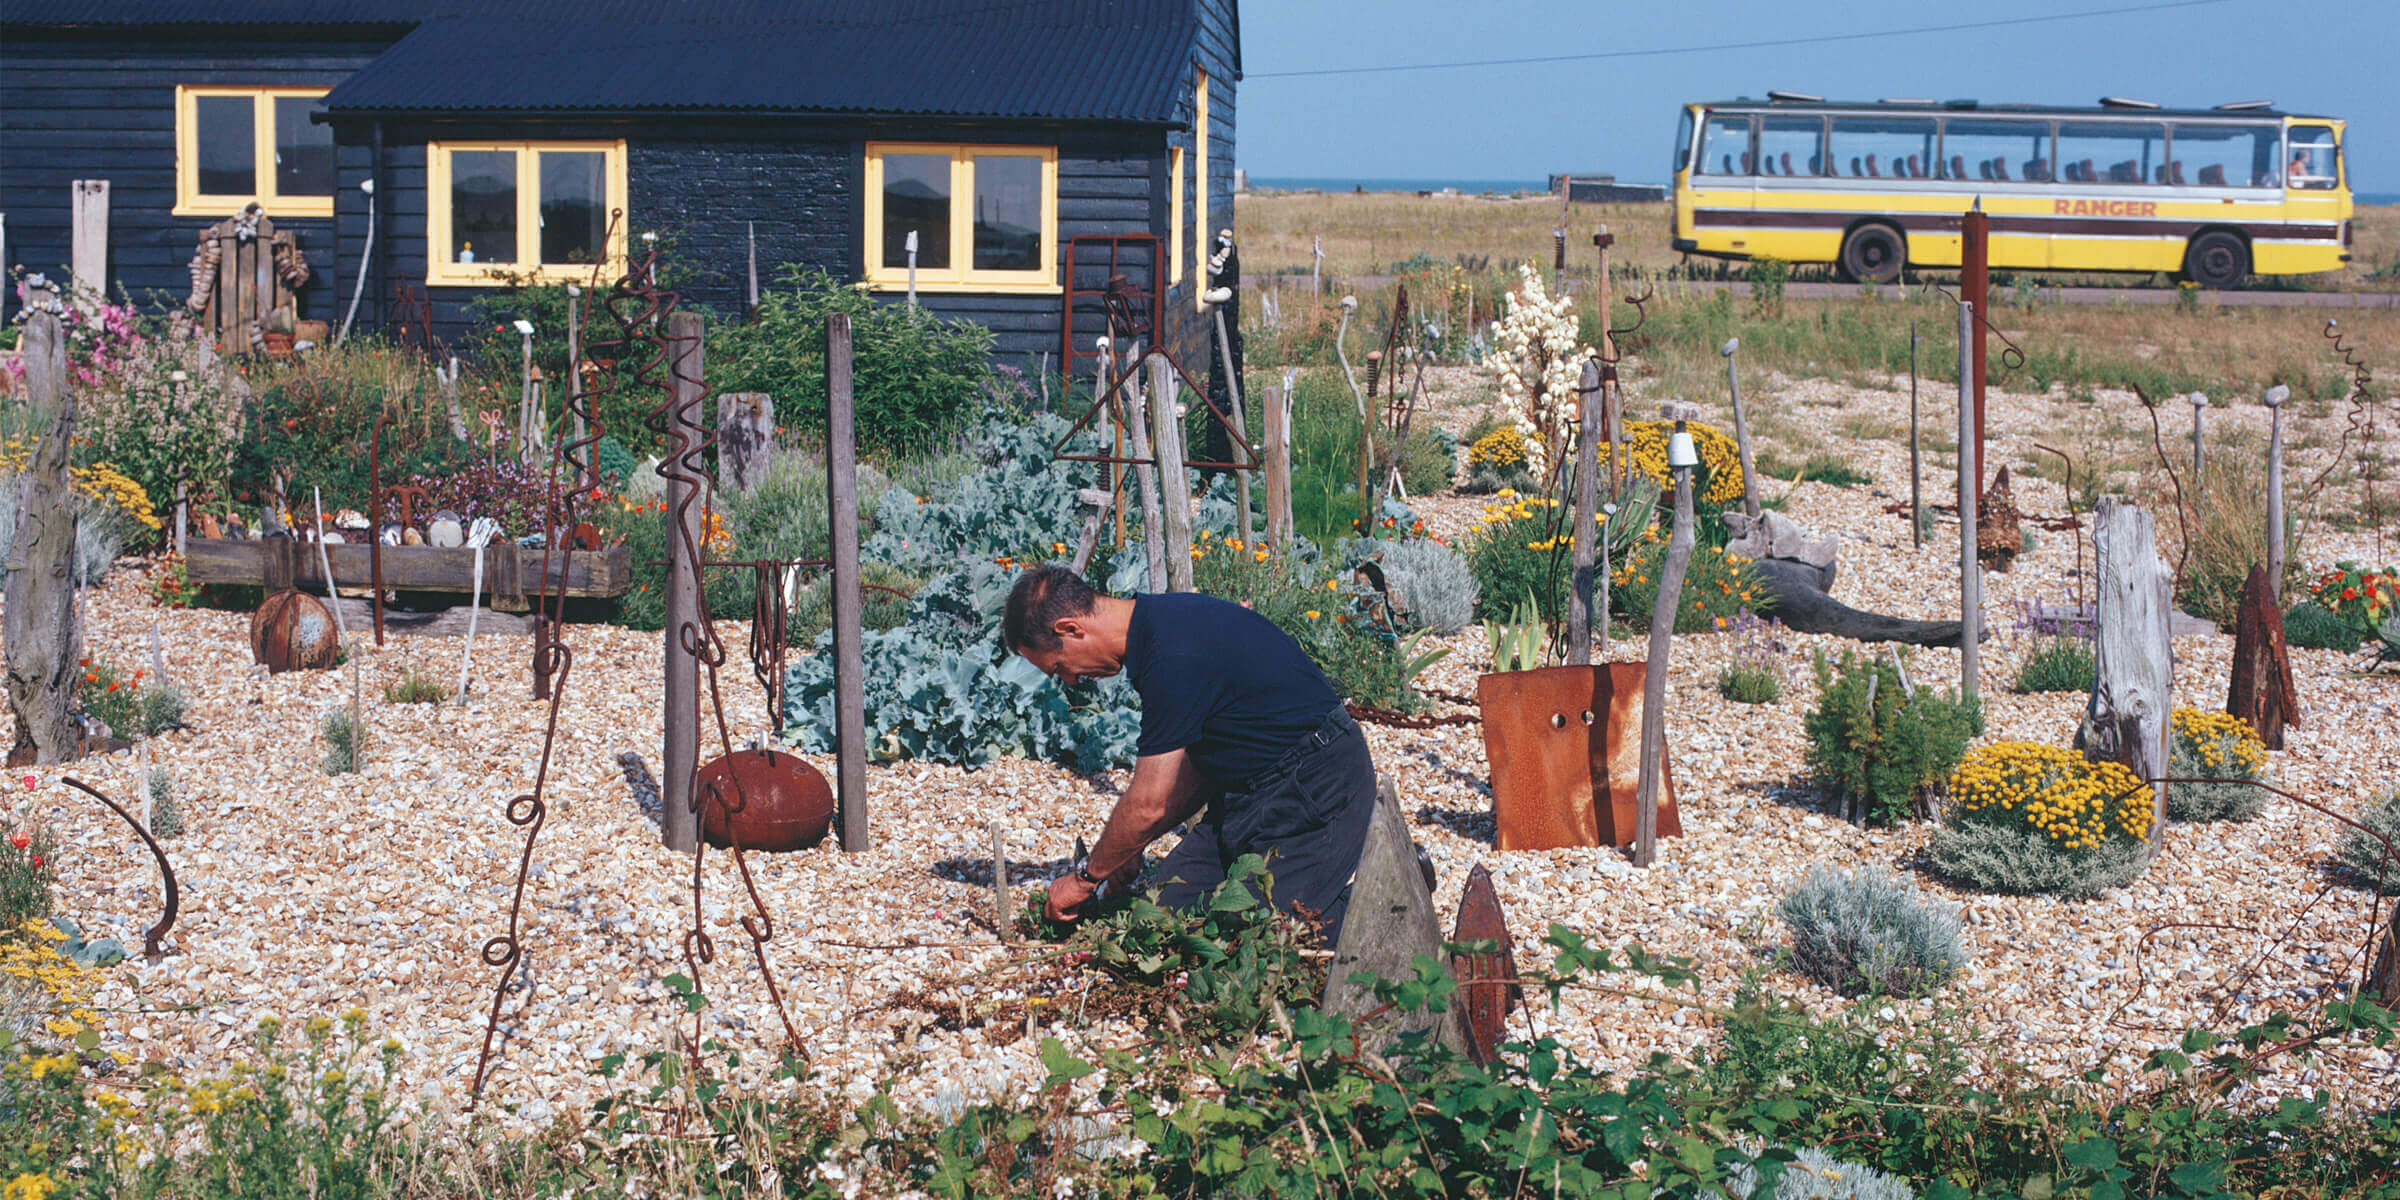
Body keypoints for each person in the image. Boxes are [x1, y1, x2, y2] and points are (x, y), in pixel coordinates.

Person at [1001, 563, 1377, 941]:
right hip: (1252, 792)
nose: (1069, 680)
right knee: (1162, 923)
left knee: (1259, 939)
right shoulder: (1157, 627)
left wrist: (1085, 877)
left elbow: (1149, 803)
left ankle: (1391, 893)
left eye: (1060, 667)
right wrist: (1124, 847)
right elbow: (1190, 779)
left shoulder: (1171, 654)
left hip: (1317, 784)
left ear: (1070, 629)